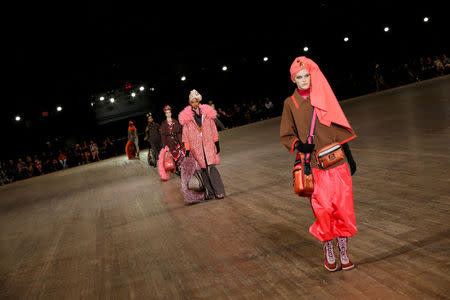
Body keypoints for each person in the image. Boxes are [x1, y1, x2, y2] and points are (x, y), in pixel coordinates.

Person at [280, 56, 358, 272]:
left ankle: (343, 252)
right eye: (299, 77)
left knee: (343, 210)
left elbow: (337, 126)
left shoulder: (323, 97)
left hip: (337, 163)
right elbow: (286, 134)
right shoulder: (290, 103)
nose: (304, 80)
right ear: (293, 80)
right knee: (323, 211)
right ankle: (329, 250)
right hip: (314, 167)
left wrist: (349, 156)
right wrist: (299, 145)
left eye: (307, 76)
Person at [179, 89, 225, 199]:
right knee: (203, 170)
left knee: (212, 167)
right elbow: (185, 135)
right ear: (190, 103)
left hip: (208, 144)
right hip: (196, 147)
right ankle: (210, 193)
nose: (195, 104)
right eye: (192, 102)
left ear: (199, 101)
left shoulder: (207, 114)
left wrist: (216, 142)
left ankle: (219, 191)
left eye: (196, 101)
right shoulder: (187, 118)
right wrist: (187, 149)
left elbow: (213, 129)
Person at [158, 105, 185, 179]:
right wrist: (164, 146)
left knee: (180, 155)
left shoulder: (175, 121)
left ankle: (181, 169)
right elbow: (163, 136)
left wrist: (181, 143)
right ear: (165, 114)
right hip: (169, 143)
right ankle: (177, 169)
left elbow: (179, 132)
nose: (168, 114)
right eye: (167, 113)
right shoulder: (163, 124)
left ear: (171, 113)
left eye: (169, 112)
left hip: (177, 141)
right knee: (173, 156)